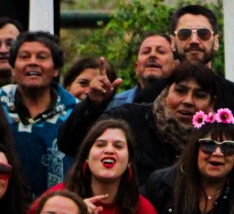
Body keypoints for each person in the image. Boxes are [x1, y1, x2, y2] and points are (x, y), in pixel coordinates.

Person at [60, 60, 224, 180]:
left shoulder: (221, 141)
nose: (188, 101)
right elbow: (70, 144)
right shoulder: (128, 119)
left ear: (212, 103)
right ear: (166, 91)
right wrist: (92, 105)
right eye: (180, 91)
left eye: (199, 95)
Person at [0, 31, 78, 194]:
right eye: (25, 56)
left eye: (42, 57)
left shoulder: (75, 112)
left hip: (57, 209)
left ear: (56, 69)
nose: (32, 62)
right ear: (12, 68)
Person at [168, 4, 234, 126]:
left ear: (216, 42)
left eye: (203, 34)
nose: (194, 40)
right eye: (184, 34)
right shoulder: (151, 95)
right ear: (173, 42)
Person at [109, 32, 177, 106]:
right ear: (136, 67)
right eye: (146, 52)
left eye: (161, 52)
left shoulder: (185, 104)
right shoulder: (114, 104)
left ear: (176, 65)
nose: (152, 55)